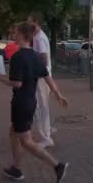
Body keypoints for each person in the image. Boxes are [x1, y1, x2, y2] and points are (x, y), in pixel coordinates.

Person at [0, 22, 69, 183]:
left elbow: (16, 83)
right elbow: (48, 78)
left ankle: (57, 166)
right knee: (14, 131)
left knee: (26, 141)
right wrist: (59, 95)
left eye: (16, 32)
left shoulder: (18, 57)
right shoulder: (35, 56)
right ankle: (16, 168)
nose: (13, 35)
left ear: (23, 36)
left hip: (20, 103)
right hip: (29, 102)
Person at [27, 13, 54, 148]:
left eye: (29, 21)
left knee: (42, 106)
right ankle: (46, 130)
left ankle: (46, 136)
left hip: (42, 77)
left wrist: (37, 71)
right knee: (39, 106)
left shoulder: (39, 38)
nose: (28, 24)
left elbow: (44, 59)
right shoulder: (37, 37)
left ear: (36, 22)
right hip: (41, 76)